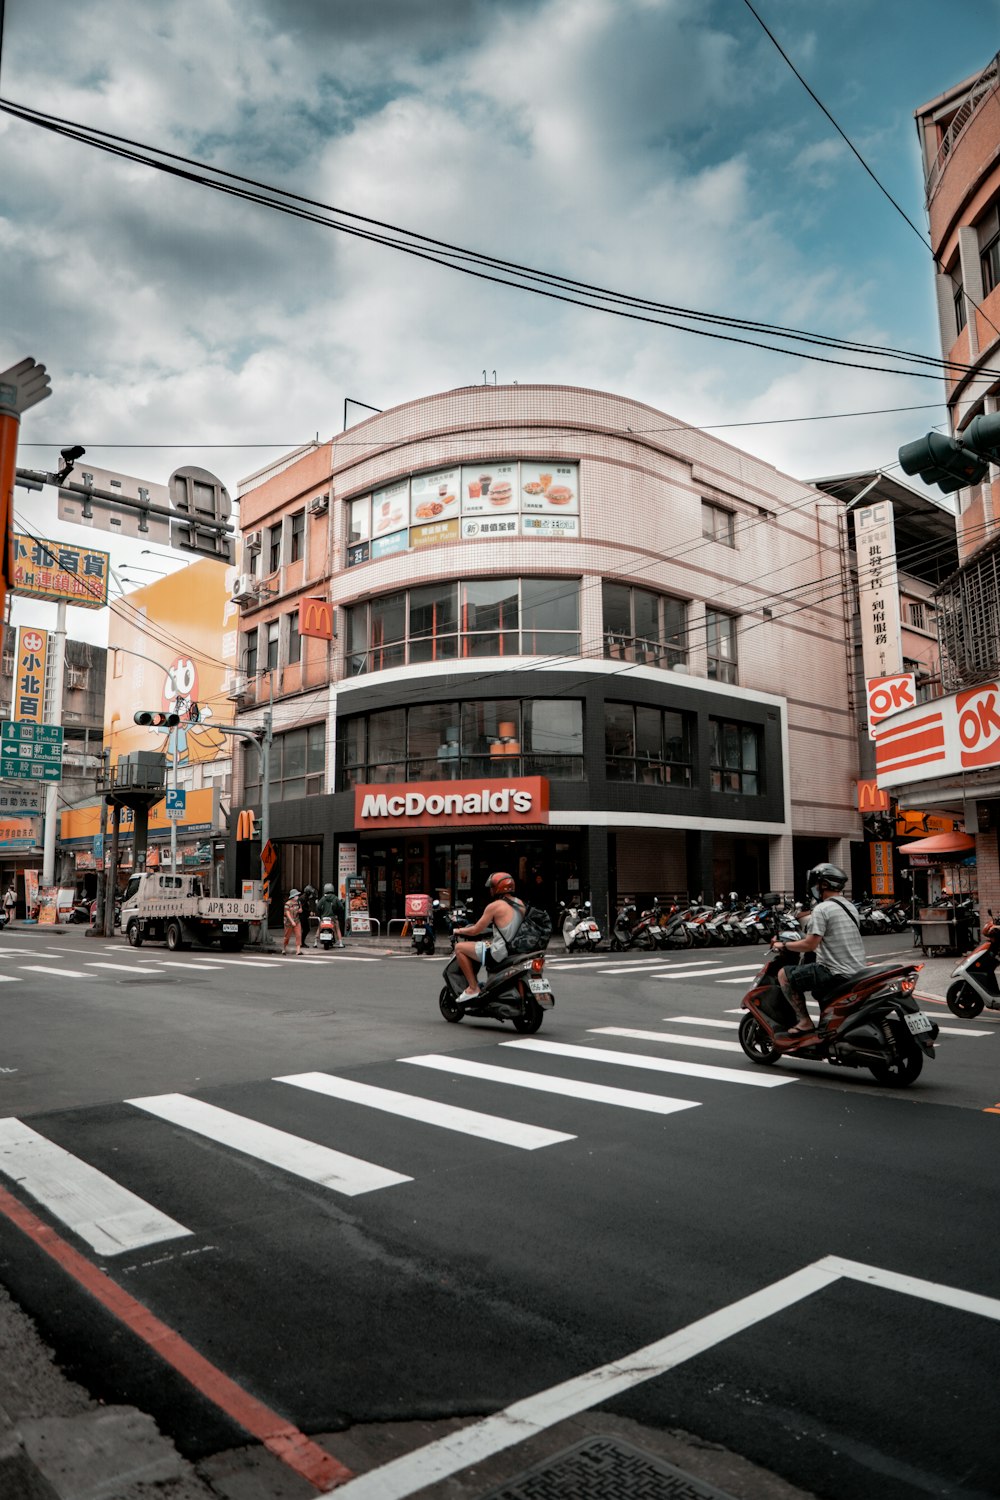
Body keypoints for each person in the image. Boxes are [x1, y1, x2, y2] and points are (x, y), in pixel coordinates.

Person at [771, 863, 866, 1042]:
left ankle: (804, 1022)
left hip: (834, 971)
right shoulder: (850, 907)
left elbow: (810, 944)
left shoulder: (822, 909)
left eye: (815, 883)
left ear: (822, 885)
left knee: (784, 974)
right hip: (857, 970)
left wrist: (783, 945)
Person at [452, 871, 524, 1001]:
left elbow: (475, 930)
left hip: (500, 952)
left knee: (459, 948)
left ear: (497, 888)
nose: (490, 890)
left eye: (492, 887)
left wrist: (459, 931)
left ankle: (473, 988)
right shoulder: (520, 904)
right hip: (515, 950)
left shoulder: (495, 906)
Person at [316, 883, 346, 947]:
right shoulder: (335, 898)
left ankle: (315, 942)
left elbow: (318, 906)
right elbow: (341, 907)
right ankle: (340, 943)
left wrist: (321, 912)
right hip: (332, 917)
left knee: (319, 927)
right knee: (337, 928)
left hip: (323, 917)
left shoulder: (323, 898)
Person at [282, 887, 302, 956]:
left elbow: (300, 909)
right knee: (287, 936)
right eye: (296, 895)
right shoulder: (288, 904)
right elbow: (287, 914)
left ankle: (298, 950)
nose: (297, 897)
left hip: (297, 921)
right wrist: (292, 921)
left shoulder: (298, 902)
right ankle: (284, 948)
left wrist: (300, 910)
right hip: (288, 922)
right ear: (293, 896)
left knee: (298, 935)